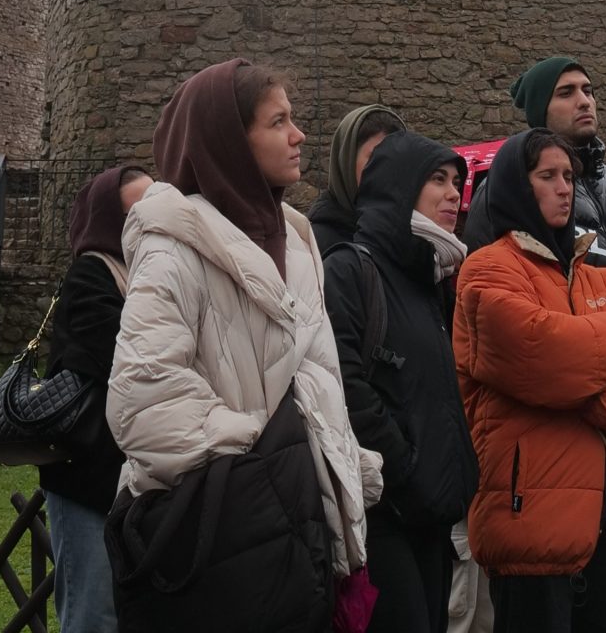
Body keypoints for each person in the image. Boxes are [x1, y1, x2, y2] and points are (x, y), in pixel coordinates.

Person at [107, 60, 380, 626]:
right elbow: (143, 399)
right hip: (228, 536)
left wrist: (342, 465)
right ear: (229, 141)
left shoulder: (297, 242)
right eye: (278, 122)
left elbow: (320, 376)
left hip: (309, 530)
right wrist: (266, 463)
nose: (298, 135)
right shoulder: (172, 250)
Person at [454, 128, 606, 633]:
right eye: (547, 176)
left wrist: (578, 382)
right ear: (517, 185)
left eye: (568, 176)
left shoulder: (602, 274)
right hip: (533, 516)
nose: (564, 188)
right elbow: (539, 353)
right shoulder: (485, 270)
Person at [465, 56, 606, 444]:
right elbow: (508, 324)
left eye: (588, 90)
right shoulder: (504, 198)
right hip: (579, 420)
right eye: (566, 93)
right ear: (540, 111)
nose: (584, 100)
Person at [323, 133, 478, 633]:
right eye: (437, 179)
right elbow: (344, 383)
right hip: (382, 516)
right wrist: (405, 466)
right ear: (399, 186)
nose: (454, 193)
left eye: (456, 181)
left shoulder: (429, 278)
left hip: (430, 514)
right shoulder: (349, 269)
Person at [38, 164, 153, 633]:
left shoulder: (150, 276)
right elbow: (128, 362)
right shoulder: (92, 275)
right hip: (91, 483)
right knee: (95, 617)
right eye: (139, 212)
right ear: (111, 221)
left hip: (135, 484)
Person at [308, 104, 405, 259]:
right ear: (347, 161)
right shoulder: (315, 246)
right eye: (375, 157)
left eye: (395, 159)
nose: (386, 169)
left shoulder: (411, 241)